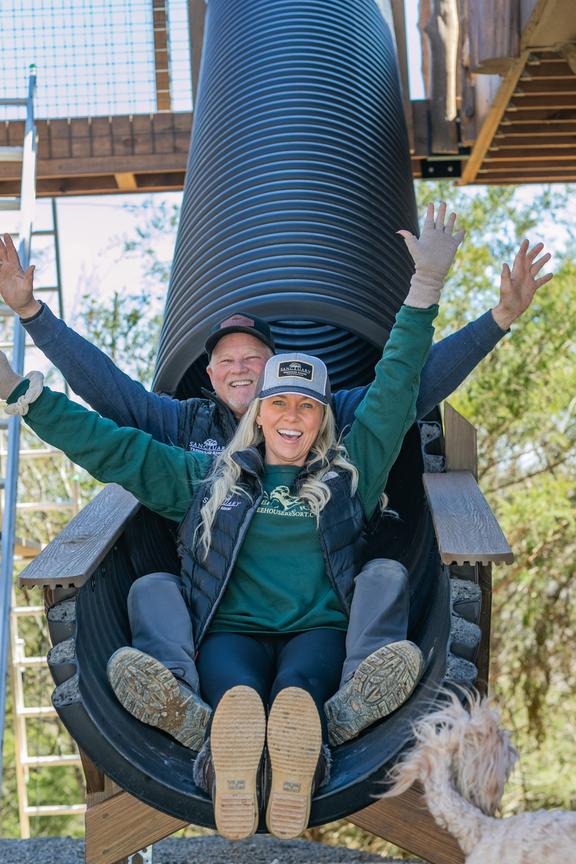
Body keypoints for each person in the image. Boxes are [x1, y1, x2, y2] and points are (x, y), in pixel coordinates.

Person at [0, 209, 552, 841]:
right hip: (229, 630)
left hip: (317, 629)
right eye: (279, 403)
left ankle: (306, 737)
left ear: (325, 416)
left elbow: (399, 382)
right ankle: (223, 742)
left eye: (307, 407)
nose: (293, 417)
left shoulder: (351, 470)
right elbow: (112, 445)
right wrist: (22, 393)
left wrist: (429, 287)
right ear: (256, 414)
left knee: (297, 691)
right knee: (236, 691)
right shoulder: (206, 477)